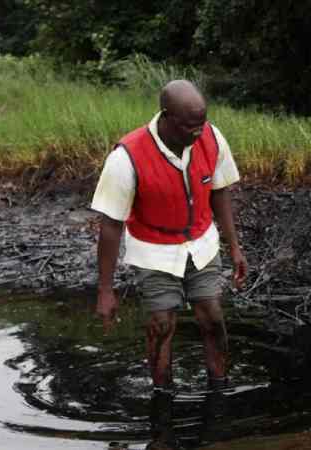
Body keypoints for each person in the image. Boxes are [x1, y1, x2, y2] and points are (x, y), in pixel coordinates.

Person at [92, 79, 248, 390]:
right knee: (162, 325)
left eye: (201, 124)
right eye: (190, 126)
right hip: (154, 250)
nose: (198, 132)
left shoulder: (211, 137)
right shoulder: (127, 157)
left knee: (213, 318)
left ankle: (220, 385)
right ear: (166, 116)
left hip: (201, 243)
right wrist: (105, 291)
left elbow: (220, 193)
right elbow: (110, 225)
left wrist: (234, 247)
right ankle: (162, 395)